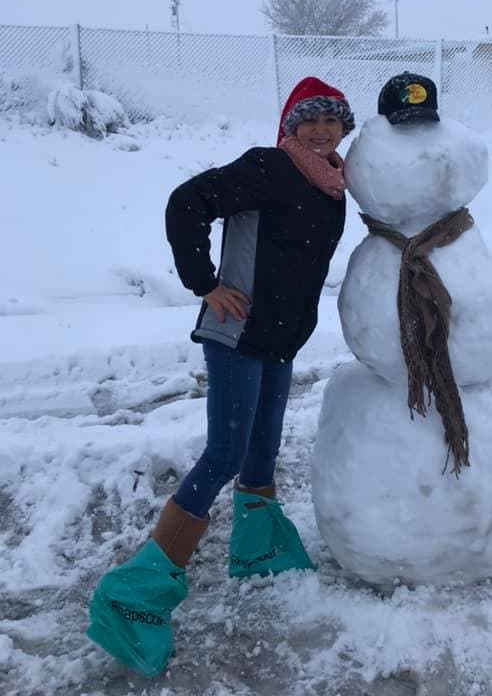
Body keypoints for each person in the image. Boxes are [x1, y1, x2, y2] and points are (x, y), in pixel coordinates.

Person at [86, 76, 355, 677]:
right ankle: (137, 590)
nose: (320, 128)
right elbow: (187, 203)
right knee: (226, 451)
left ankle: (257, 545)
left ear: (344, 130)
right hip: (236, 333)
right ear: (288, 126)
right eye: (308, 119)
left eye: (332, 120)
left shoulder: (334, 185)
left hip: (280, 340)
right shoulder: (269, 167)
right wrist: (204, 283)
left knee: (262, 450)